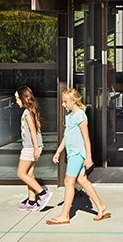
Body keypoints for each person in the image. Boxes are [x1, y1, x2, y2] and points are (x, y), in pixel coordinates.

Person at [47, 88, 111, 224]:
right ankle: (100, 206)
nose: (63, 104)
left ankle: (65, 215)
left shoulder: (80, 115)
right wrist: (58, 151)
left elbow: (86, 138)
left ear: (74, 101)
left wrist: (88, 157)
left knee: (68, 182)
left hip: (78, 154)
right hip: (72, 153)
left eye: (65, 102)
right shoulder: (69, 116)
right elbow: (67, 136)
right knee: (82, 180)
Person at [14, 87, 51, 211]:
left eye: (17, 99)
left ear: (23, 98)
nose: (16, 102)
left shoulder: (27, 113)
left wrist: (35, 148)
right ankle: (31, 201)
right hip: (32, 146)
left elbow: (33, 131)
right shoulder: (30, 110)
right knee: (29, 174)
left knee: (21, 173)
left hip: (30, 147)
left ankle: (43, 193)